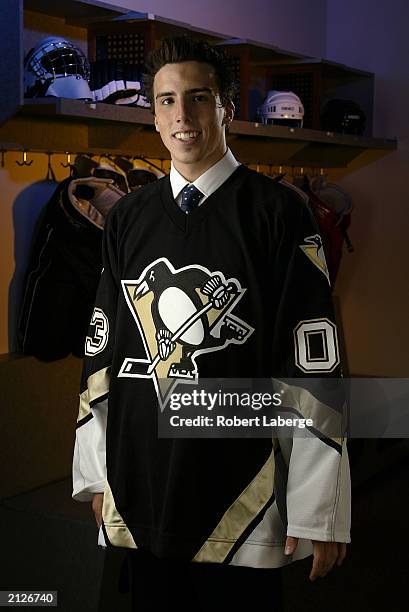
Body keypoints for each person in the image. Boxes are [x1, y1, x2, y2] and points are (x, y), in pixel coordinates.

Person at [72, 36, 351, 611]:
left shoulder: (280, 211)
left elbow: (314, 362)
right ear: (152, 115)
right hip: (143, 484)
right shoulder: (128, 217)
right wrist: (97, 474)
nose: (183, 116)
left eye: (198, 98)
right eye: (167, 100)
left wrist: (319, 507)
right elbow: (102, 350)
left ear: (225, 106)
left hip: (240, 487)